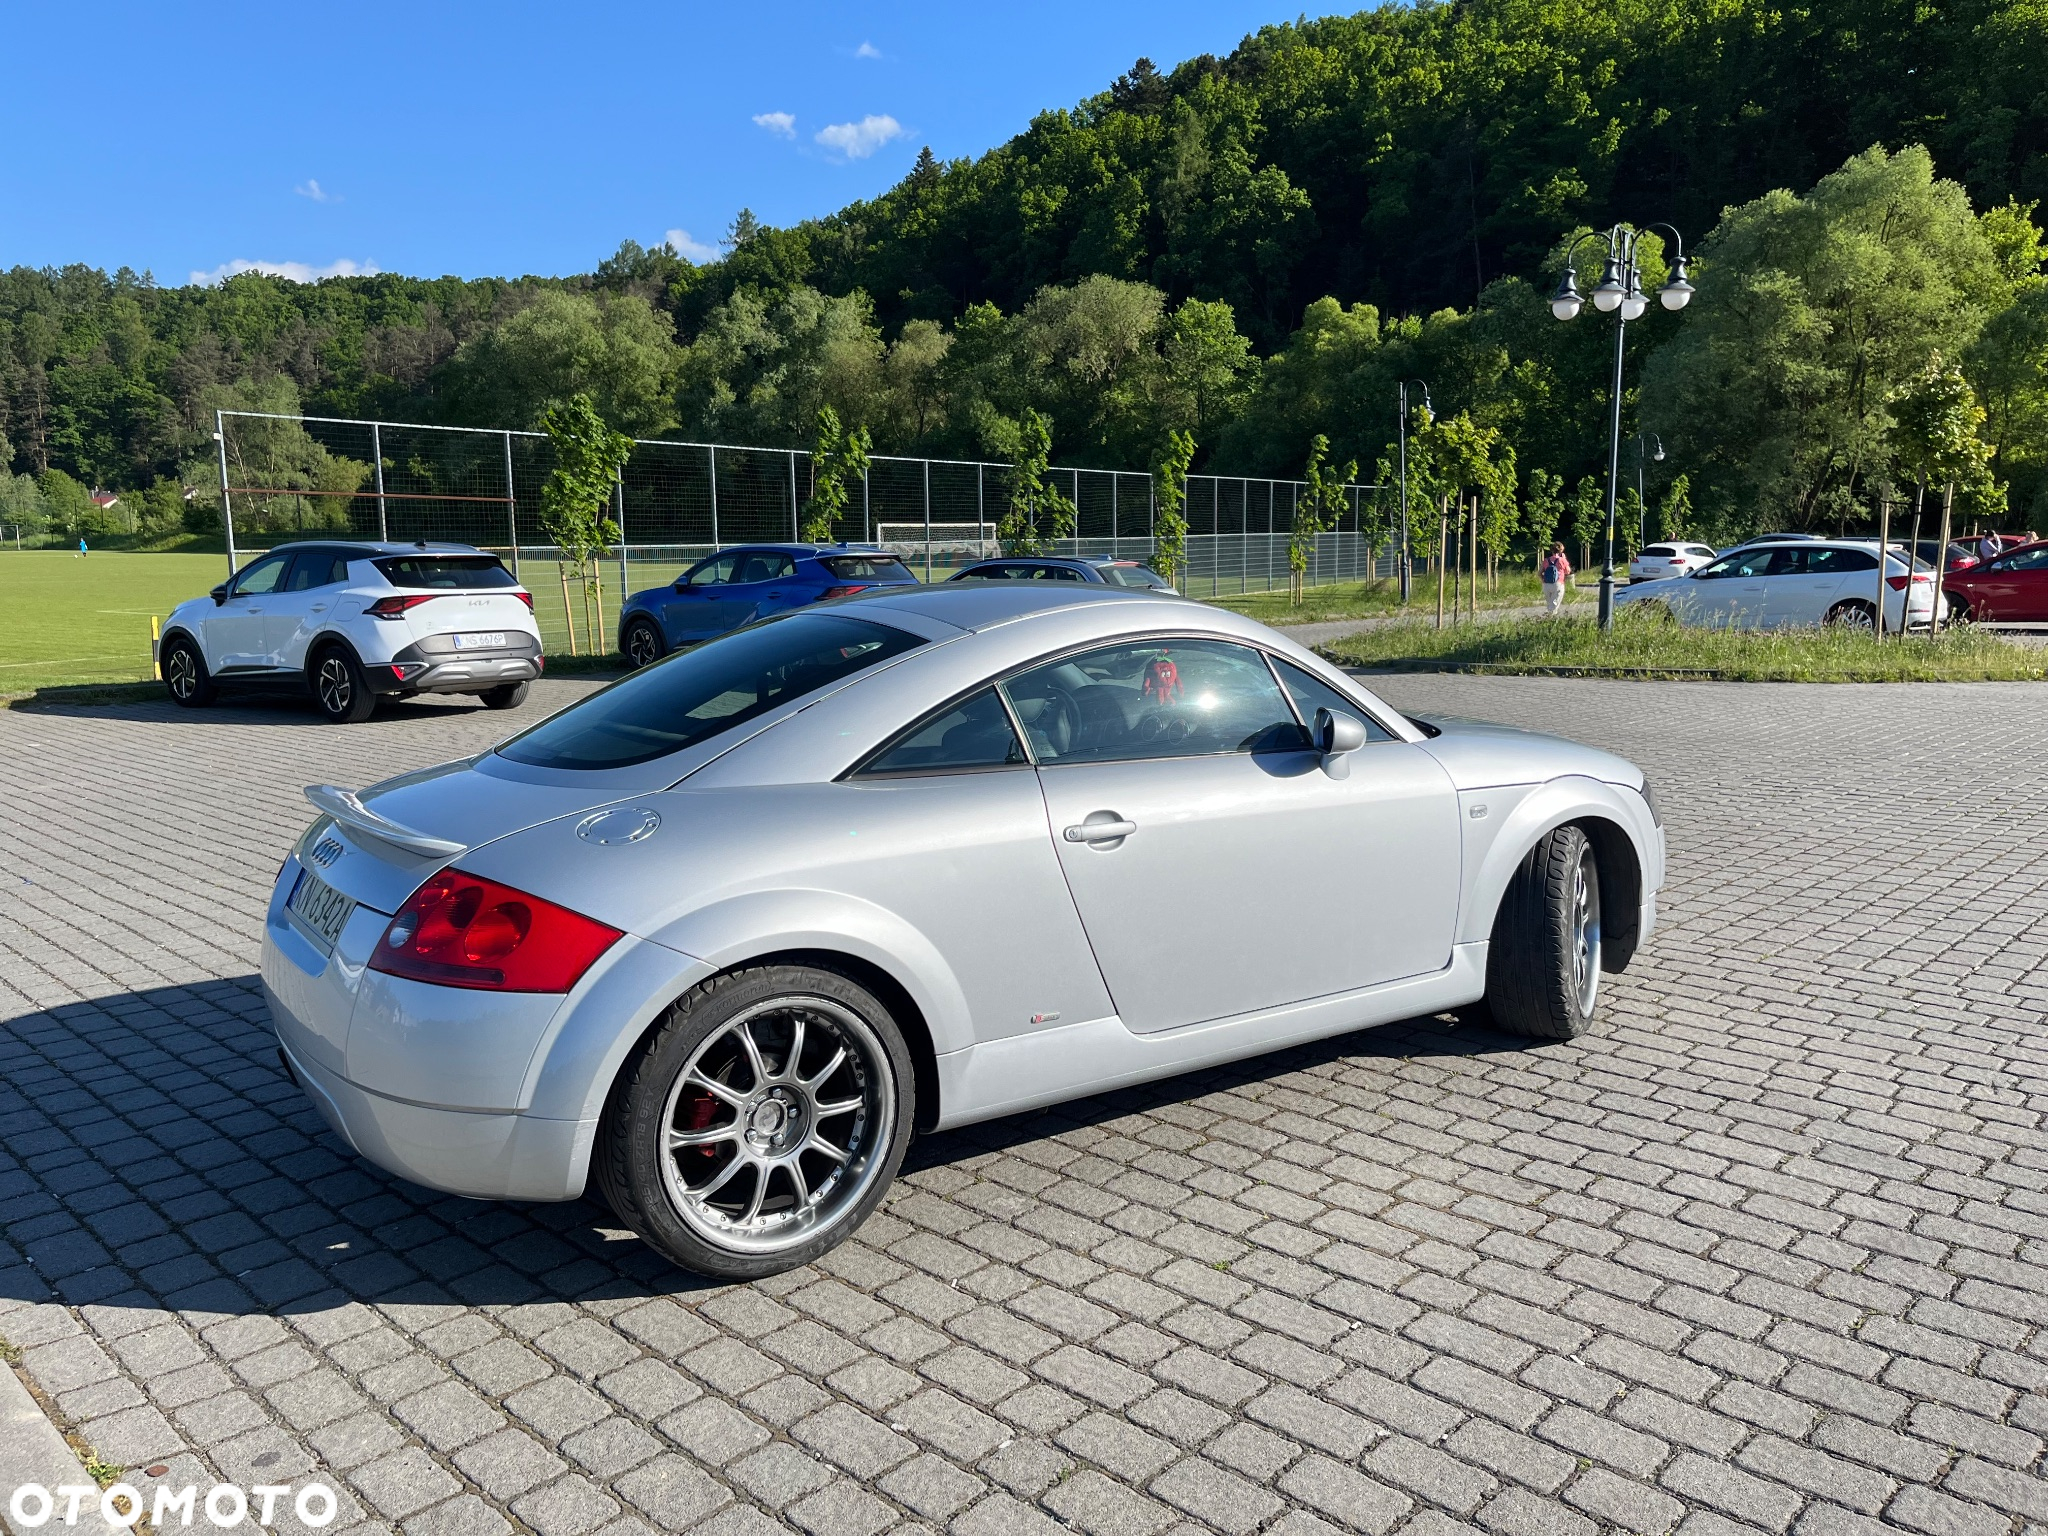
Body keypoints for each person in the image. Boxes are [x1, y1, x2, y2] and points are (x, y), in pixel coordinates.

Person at [1541, 542, 1571, 614]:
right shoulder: (1562, 560)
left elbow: (1539, 573)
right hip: (1558, 584)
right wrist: (1564, 559)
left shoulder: (1546, 560)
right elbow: (1568, 571)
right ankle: (1552, 620)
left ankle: (1548, 618)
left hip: (1546, 584)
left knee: (1549, 604)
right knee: (1555, 605)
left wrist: (1543, 580)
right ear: (1561, 550)